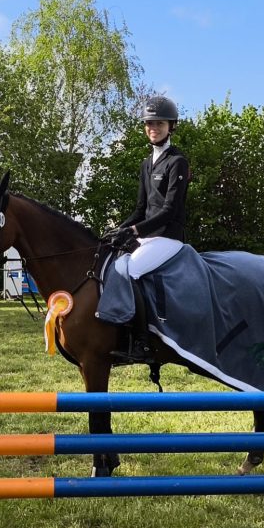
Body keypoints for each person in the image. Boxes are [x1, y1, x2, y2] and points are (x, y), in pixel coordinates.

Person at [106, 94, 191, 363]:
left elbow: (169, 211)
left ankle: (141, 342)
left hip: (168, 238)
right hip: (147, 237)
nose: (153, 128)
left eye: (159, 123)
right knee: (112, 261)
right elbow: (141, 208)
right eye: (149, 123)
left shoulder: (178, 161)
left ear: (171, 126)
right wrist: (118, 229)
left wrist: (134, 232)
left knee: (130, 271)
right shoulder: (146, 164)